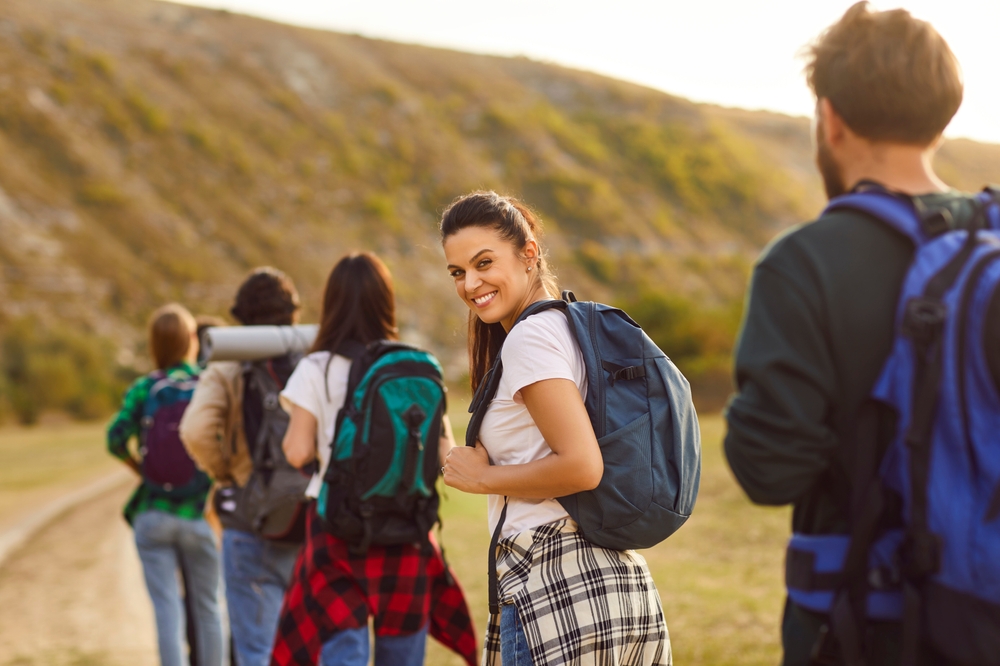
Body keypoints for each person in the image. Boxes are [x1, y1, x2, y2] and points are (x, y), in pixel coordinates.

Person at [724, 3, 1000, 665]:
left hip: (859, 625)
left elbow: (769, 472)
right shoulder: (989, 241)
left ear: (831, 119)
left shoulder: (803, 262)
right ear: (943, 118)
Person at [440, 191, 671, 665]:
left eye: (484, 263)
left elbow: (582, 466)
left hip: (555, 590)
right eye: (458, 272)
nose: (470, 284)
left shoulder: (531, 336)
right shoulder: (573, 327)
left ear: (529, 253)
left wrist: (482, 478)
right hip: (619, 588)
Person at [269, 252, 476, 666]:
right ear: (387, 302)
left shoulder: (317, 366)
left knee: (343, 650)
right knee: (402, 653)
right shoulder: (417, 366)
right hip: (406, 530)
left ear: (333, 304)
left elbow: (297, 451)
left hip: (338, 529)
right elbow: (445, 455)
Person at [180, 267, 306, 666]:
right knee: (307, 646)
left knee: (255, 649)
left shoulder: (227, 365)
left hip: (250, 520)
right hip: (309, 515)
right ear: (292, 313)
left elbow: (196, 430)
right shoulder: (313, 358)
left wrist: (226, 475)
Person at [107, 303, 224, 666]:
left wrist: (142, 470)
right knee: (208, 609)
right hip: (198, 513)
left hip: (153, 514)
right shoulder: (209, 385)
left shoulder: (145, 388)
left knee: (166, 610)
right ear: (192, 340)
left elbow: (114, 438)